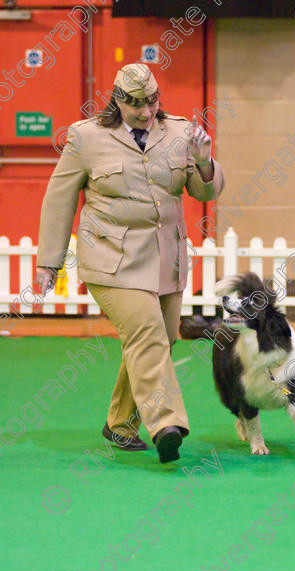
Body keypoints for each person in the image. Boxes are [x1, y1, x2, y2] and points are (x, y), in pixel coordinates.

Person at [36, 63, 225, 463]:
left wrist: (205, 160)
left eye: (152, 101)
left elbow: (201, 189)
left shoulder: (177, 132)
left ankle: (120, 424)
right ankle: (166, 424)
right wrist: (48, 263)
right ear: (117, 101)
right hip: (111, 259)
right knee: (148, 334)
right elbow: (59, 199)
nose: (146, 111)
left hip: (166, 258)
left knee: (161, 338)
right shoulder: (85, 137)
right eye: (136, 104)